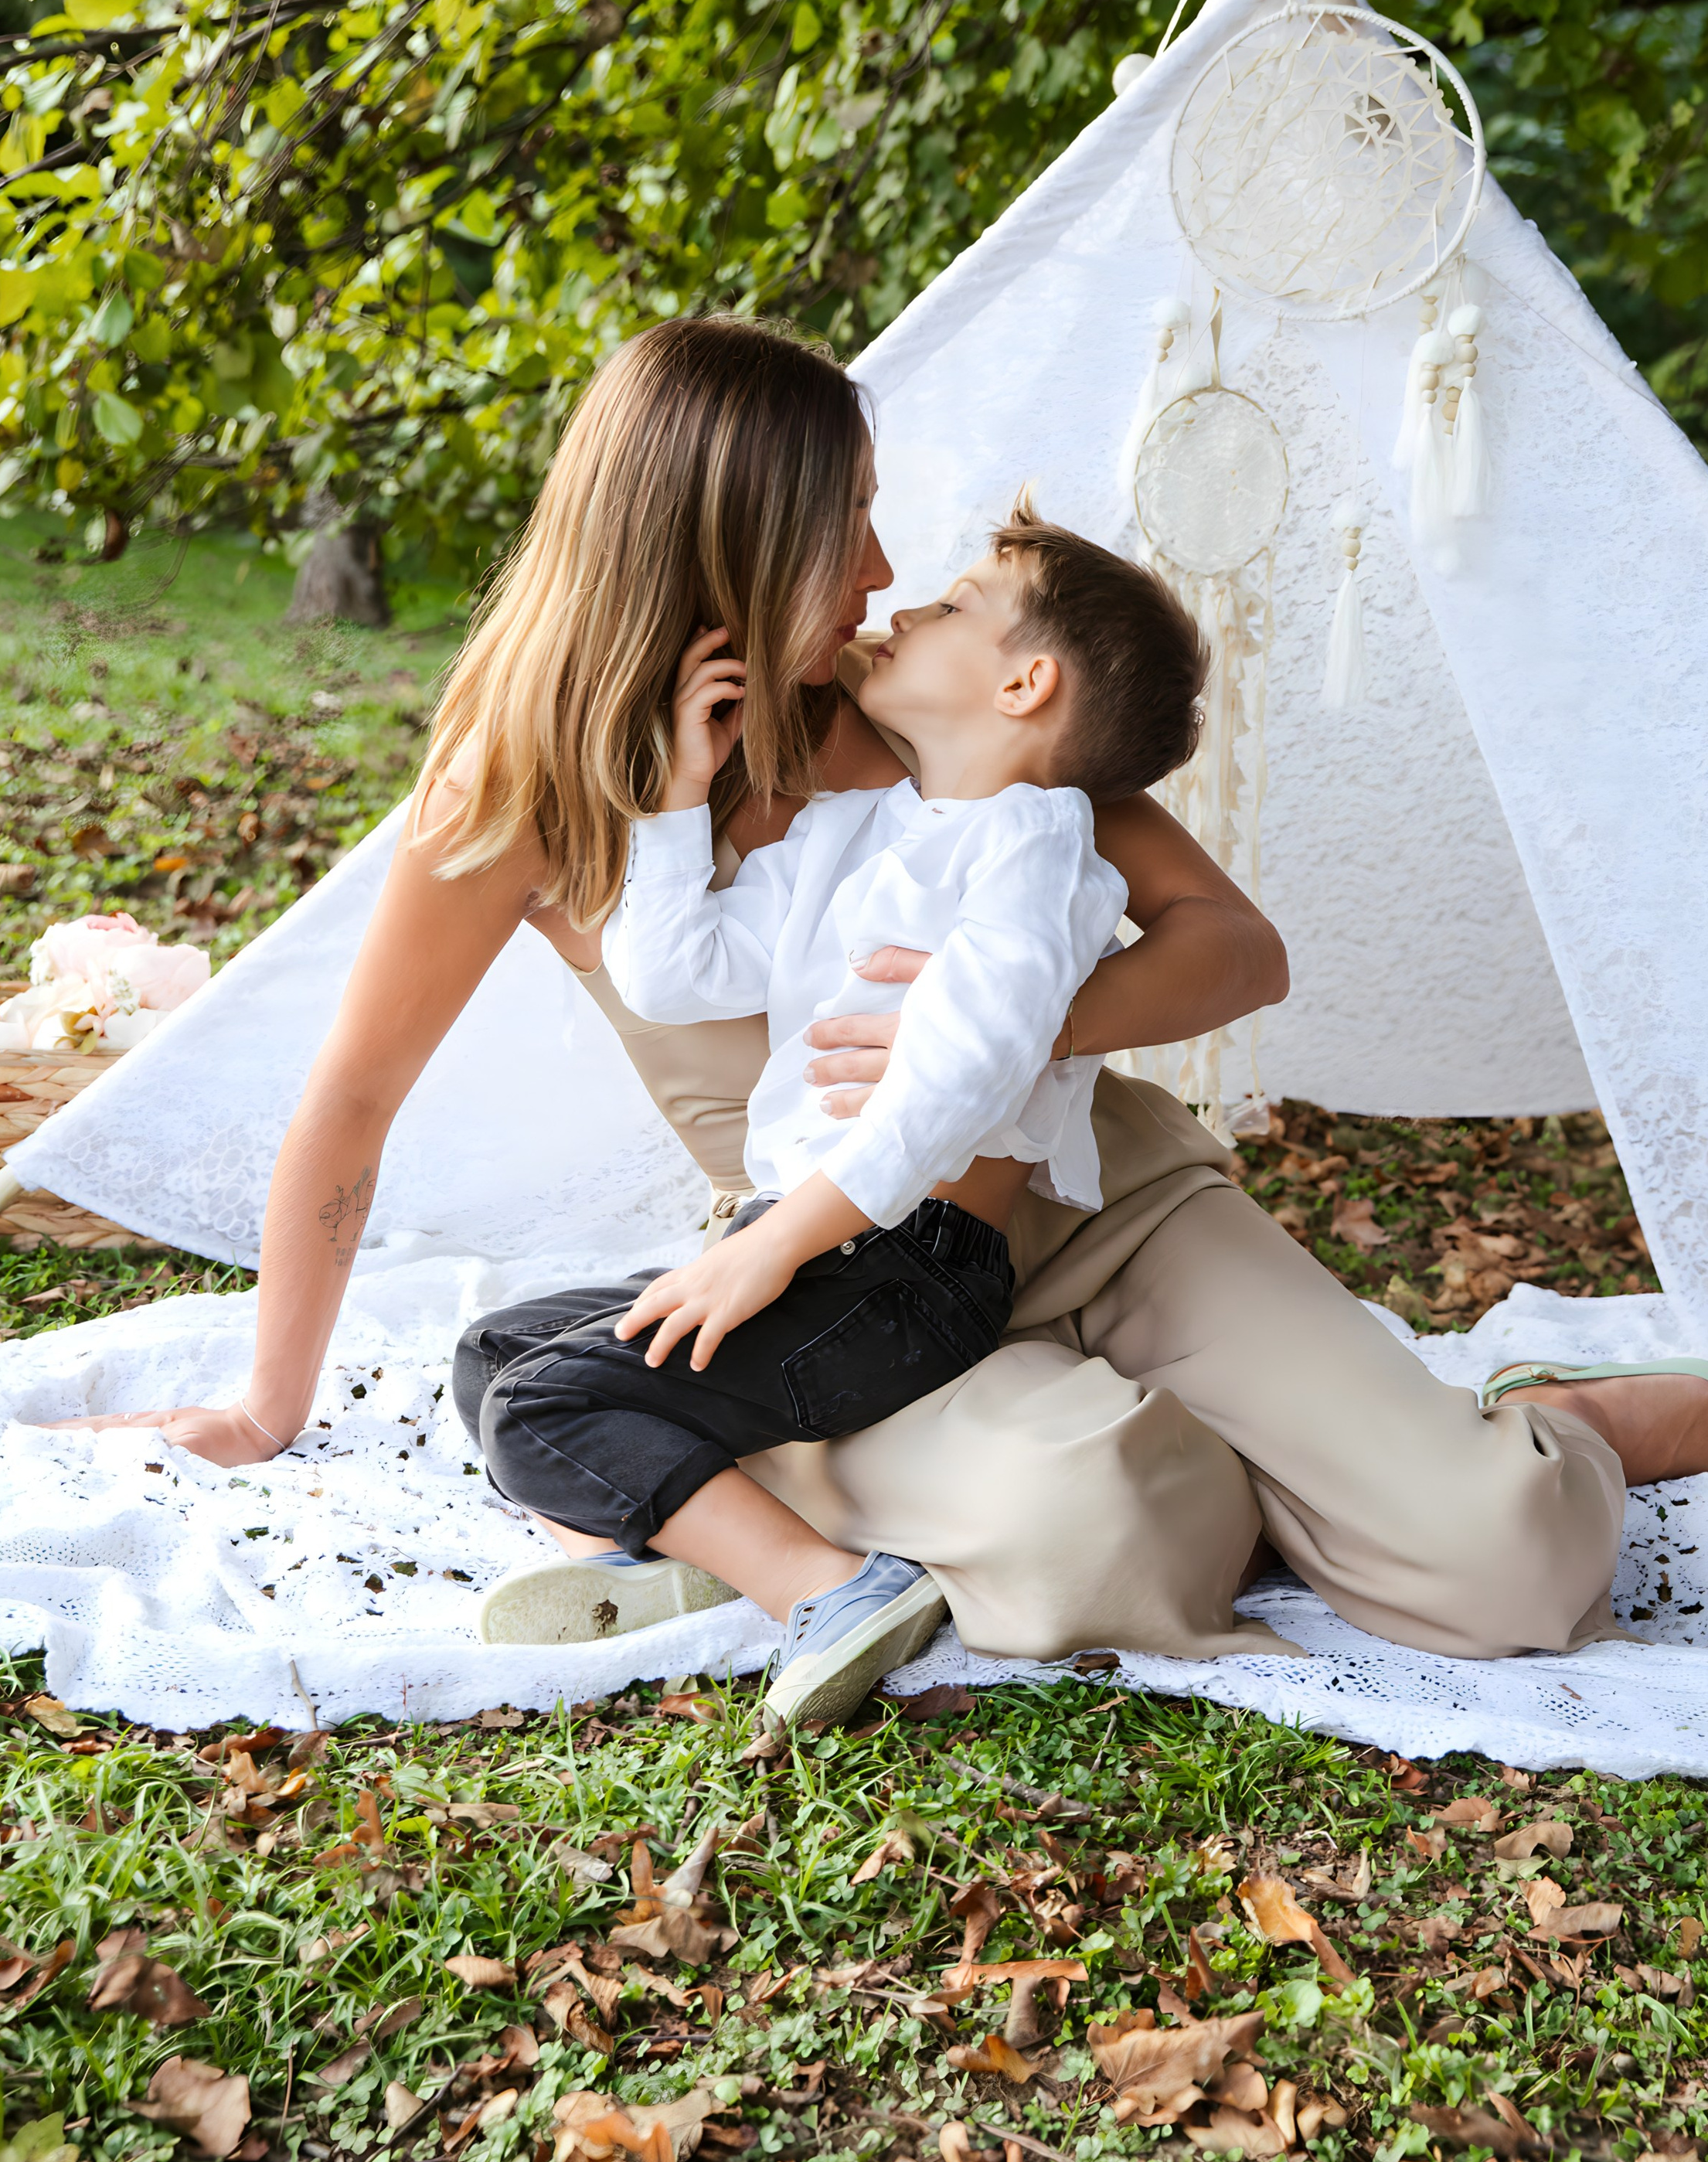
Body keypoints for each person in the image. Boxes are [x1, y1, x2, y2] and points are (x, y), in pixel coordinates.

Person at [62, 316, 1708, 1667]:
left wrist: (1008, 1027)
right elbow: (351, 1107)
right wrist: (268, 1404)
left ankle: (1513, 1432)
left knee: (1507, 1559)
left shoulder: (942, 723)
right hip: (852, 1272)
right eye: (845, 524)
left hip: (1108, 1205)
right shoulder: (525, 793)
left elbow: (1236, 950)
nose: (880, 569)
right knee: (1104, 1545)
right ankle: (1269, 1464)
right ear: (726, 542)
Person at [468, 502, 1206, 1724]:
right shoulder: (863, 832)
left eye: (957, 604)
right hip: (818, 1240)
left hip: (904, 1263)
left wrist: (769, 1245)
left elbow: (958, 1078)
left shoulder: (1039, 849)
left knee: (543, 1406)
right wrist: (671, 801)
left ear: (1025, 682)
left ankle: (834, 1585)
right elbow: (674, 974)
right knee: (496, 1355)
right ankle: (676, 1565)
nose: (909, 604)